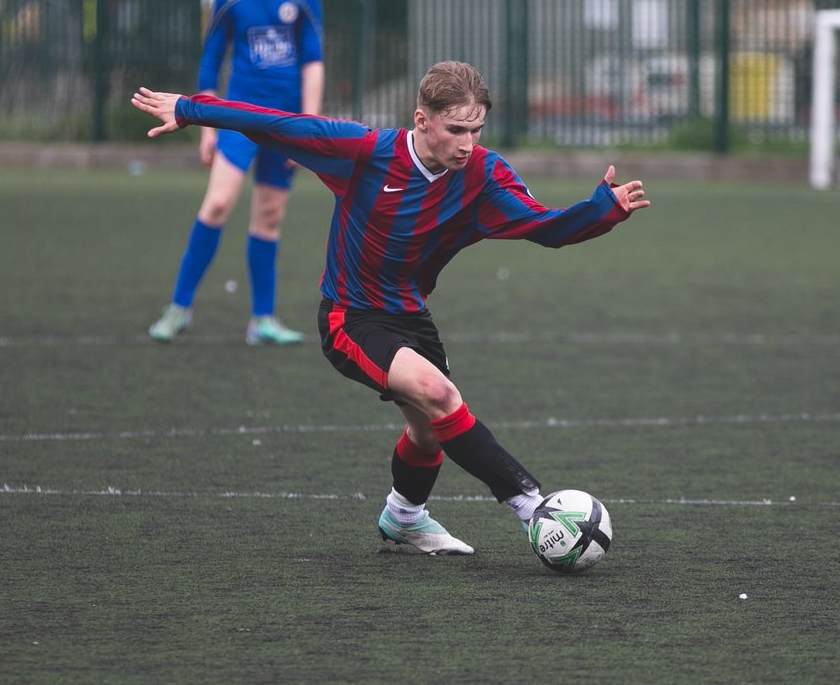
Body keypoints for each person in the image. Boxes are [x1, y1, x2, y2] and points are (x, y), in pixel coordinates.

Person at [132, 61, 650, 554]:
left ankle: (403, 517)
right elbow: (279, 124)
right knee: (439, 394)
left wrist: (602, 211)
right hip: (349, 317)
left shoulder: (485, 175)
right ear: (422, 120)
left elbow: (544, 226)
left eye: (477, 130)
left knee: (427, 430)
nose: (469, 144)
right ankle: (533, 505)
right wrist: (190, 109)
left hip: (409, 315)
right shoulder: (364, 152)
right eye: (456, 130)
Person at [148, 0, 324, 346]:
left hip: (285, 125)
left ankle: (262, 319)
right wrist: (206, 125)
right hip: (238, 121)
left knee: (268, 217)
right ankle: (179, 308)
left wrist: (309, 127)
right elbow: (211, 62)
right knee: (219, 203)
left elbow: (313, 63)